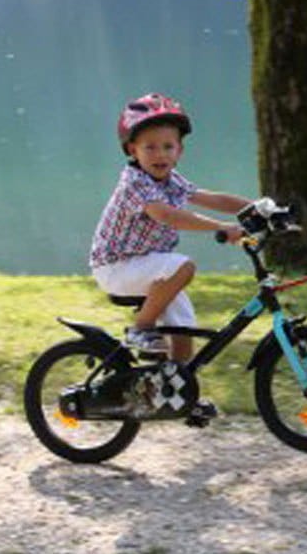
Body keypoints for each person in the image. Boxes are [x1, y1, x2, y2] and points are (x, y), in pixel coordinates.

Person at [89, 93, 250, 361]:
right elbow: (167, 216)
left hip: (148, 265)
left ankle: (173, 385)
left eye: (167, 146)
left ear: (179, 151)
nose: (160, 154)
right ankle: (141, 327)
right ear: (133, 150)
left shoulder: (170, 179)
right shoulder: (135, 182)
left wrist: (259, 208)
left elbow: (212, 199)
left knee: (183, 332)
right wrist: (221, 227)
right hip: (117, 267)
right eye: (150, 147)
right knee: (183, 266)